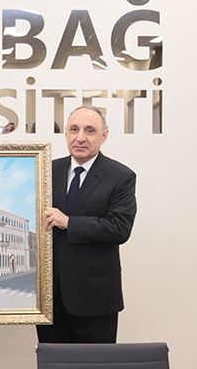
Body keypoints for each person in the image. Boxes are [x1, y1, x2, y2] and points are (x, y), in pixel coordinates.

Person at [37, 106, 137, 343]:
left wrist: (69, 223)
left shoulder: (121, 176)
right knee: (52, 360)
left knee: (95, 360)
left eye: (90, 130)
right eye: (74, 129)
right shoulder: (46, 170)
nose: (80, 137)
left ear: (104, 135)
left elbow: (120, 228)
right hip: (50, 299)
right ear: (65, 133)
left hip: (96, 299)